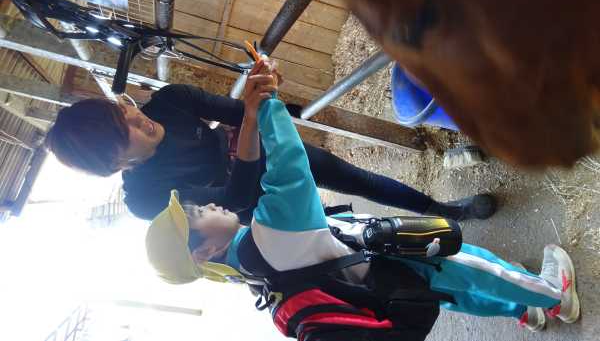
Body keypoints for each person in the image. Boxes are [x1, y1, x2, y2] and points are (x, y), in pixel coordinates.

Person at [145, 60, 579, 336]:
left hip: (381, 285)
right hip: (397, 265)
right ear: (204, 252)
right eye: (196, 215)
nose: (208, 204)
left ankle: (523, 310)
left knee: (459, 294)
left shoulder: (253, 277)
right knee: (475, 269)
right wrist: (269, 104)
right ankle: (553, 296)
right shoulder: (269, 235)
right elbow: (291, 166)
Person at [44, 59, 495, 224]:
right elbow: (235, 201)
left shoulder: (169, 101)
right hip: (261, 210)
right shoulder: (146, 200)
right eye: (124, 130)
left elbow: (242, 112)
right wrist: (251, 120)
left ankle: (445, 210)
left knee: (357, 179)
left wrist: (263, 89)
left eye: (121, 110)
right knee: (340, 231)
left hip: (264, 153)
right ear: (116, 164)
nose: (136, 117)